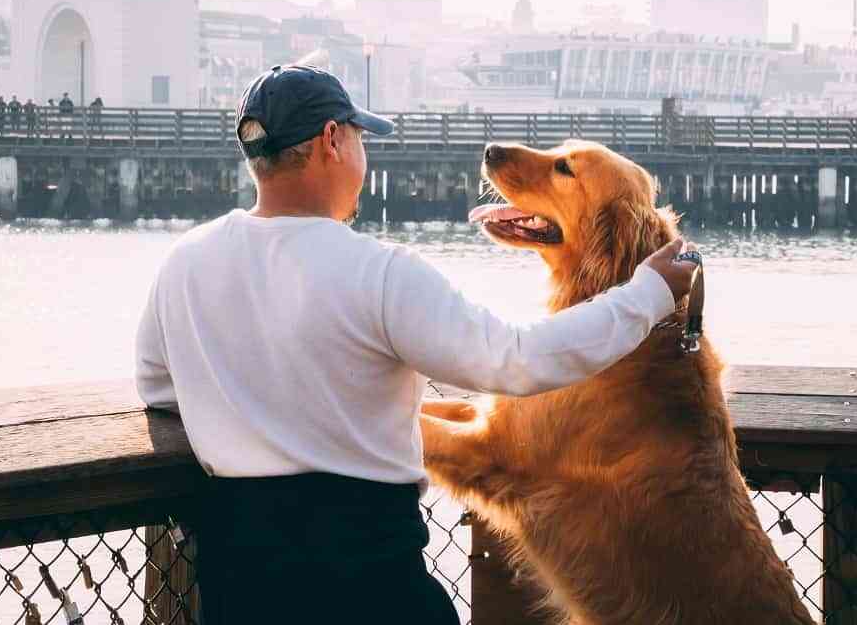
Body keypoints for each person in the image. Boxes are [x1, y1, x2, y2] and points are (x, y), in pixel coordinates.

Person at [135, 65, 700, 625]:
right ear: (333, 141)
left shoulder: (185, 262)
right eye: (359, 137)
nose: (363, 154)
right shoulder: (378, 272)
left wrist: (256, 409)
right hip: (368, 581)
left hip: (242, 588)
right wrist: (648, 293)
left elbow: (158, 387)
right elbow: (515, 358)